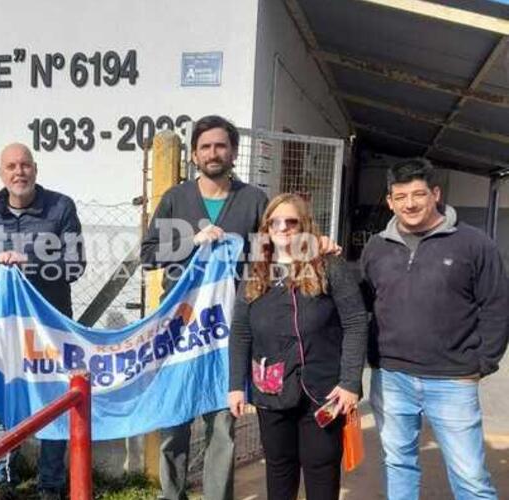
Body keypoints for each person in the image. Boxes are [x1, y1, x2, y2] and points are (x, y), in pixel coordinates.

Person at [361, 158, 509, 500]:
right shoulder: (376, 247)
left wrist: (481, 363)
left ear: (435, 194)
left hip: (452, 380)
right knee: (399, 463)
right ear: (389, 201)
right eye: (400, 197)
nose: (410, 204)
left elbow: (497, 305)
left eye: (418, 194)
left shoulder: (473, 244)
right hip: (392, 377)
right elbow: (364, 305)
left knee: (470, 476)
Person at [140, 115, 268, 500]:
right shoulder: (176, 198)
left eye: (220, 146)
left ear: (233, 151)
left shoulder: (253, 200)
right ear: (195, 154)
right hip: (178, 330)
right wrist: (191, 240)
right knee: (173, 423)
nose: (213, 153)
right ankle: (171, 495)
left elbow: (269, 258)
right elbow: (148, 255)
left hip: (227, 332)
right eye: (206, 147)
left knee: (223, 426)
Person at [228, 193, 367, 500]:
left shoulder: (330, 265)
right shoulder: (255, 270)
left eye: (291, 221)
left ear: (304, 225)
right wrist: (236, 385)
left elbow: (356, 322)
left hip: (324, 390)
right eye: (274, 222)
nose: (283, 228)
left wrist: (350, 383)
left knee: (321, 468)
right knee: (279, 467)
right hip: (272, 388)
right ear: (266, 228)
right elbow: (240, 331)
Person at [0, 142, 85, 500]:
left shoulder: (61, 207)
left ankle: (50, 485)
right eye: (11, 167)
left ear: (35, 169)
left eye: (25, 165)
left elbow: (76, 265)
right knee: (9, 401)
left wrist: (29, 265)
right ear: (0, 173)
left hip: (51, 327)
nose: (18, 172)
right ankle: (3, 481)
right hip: (5, 327)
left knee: (54, 400)